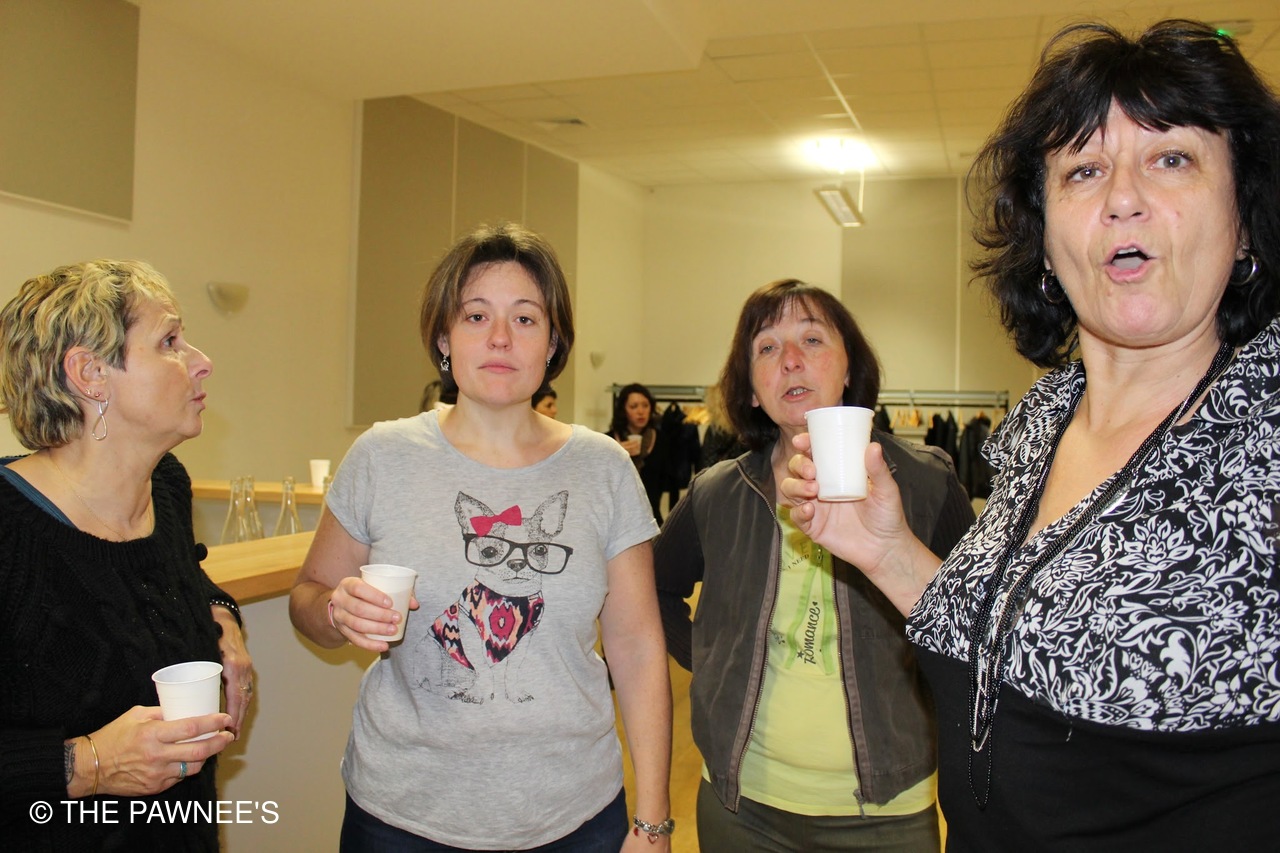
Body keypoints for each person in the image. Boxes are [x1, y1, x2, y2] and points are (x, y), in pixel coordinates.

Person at [782, 20, 1280, 849]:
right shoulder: (1043, 419)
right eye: (1084, 169)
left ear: (1246, 220)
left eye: (1171, 158)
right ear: (1046, 241)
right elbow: (1011, 645)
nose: (1123, 196)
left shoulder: (1264, 429)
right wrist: (888, 550)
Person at [289, 223, 674, 851]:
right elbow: (308, 595)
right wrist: (336, 610)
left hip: (573, 814)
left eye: (525, 318)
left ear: (553, 342)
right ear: (444, 338)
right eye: (475, 315)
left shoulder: (603, 468)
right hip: (402, 815)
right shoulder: (383, 456)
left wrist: (653, 819)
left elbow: (637, 645)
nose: (500, 337)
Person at [655, 279, 975, 851]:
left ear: (849, 369)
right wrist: (711, 658)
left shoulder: (926, 481)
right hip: (741, 805)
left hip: (888, 810)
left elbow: (975, 620)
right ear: (752, 390)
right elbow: (653, 588)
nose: (790, 360)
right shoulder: (718, 493)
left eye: (812, 339)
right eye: (767, 347)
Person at [0, 260, 253, 851]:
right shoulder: (9, 532)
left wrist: (221, 616)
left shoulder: (166, 484)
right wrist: (85, 764)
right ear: (90, 374)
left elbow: (169, 577)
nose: (201, 360)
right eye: (169, 342)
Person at [607, 383, 662, 520]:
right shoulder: (608, 441)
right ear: (623, 410)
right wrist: (616, 454)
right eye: (634, 406)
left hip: (651, 515)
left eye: (645, 405)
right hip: (616, 516)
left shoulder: (661, 439)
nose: (640, 412)